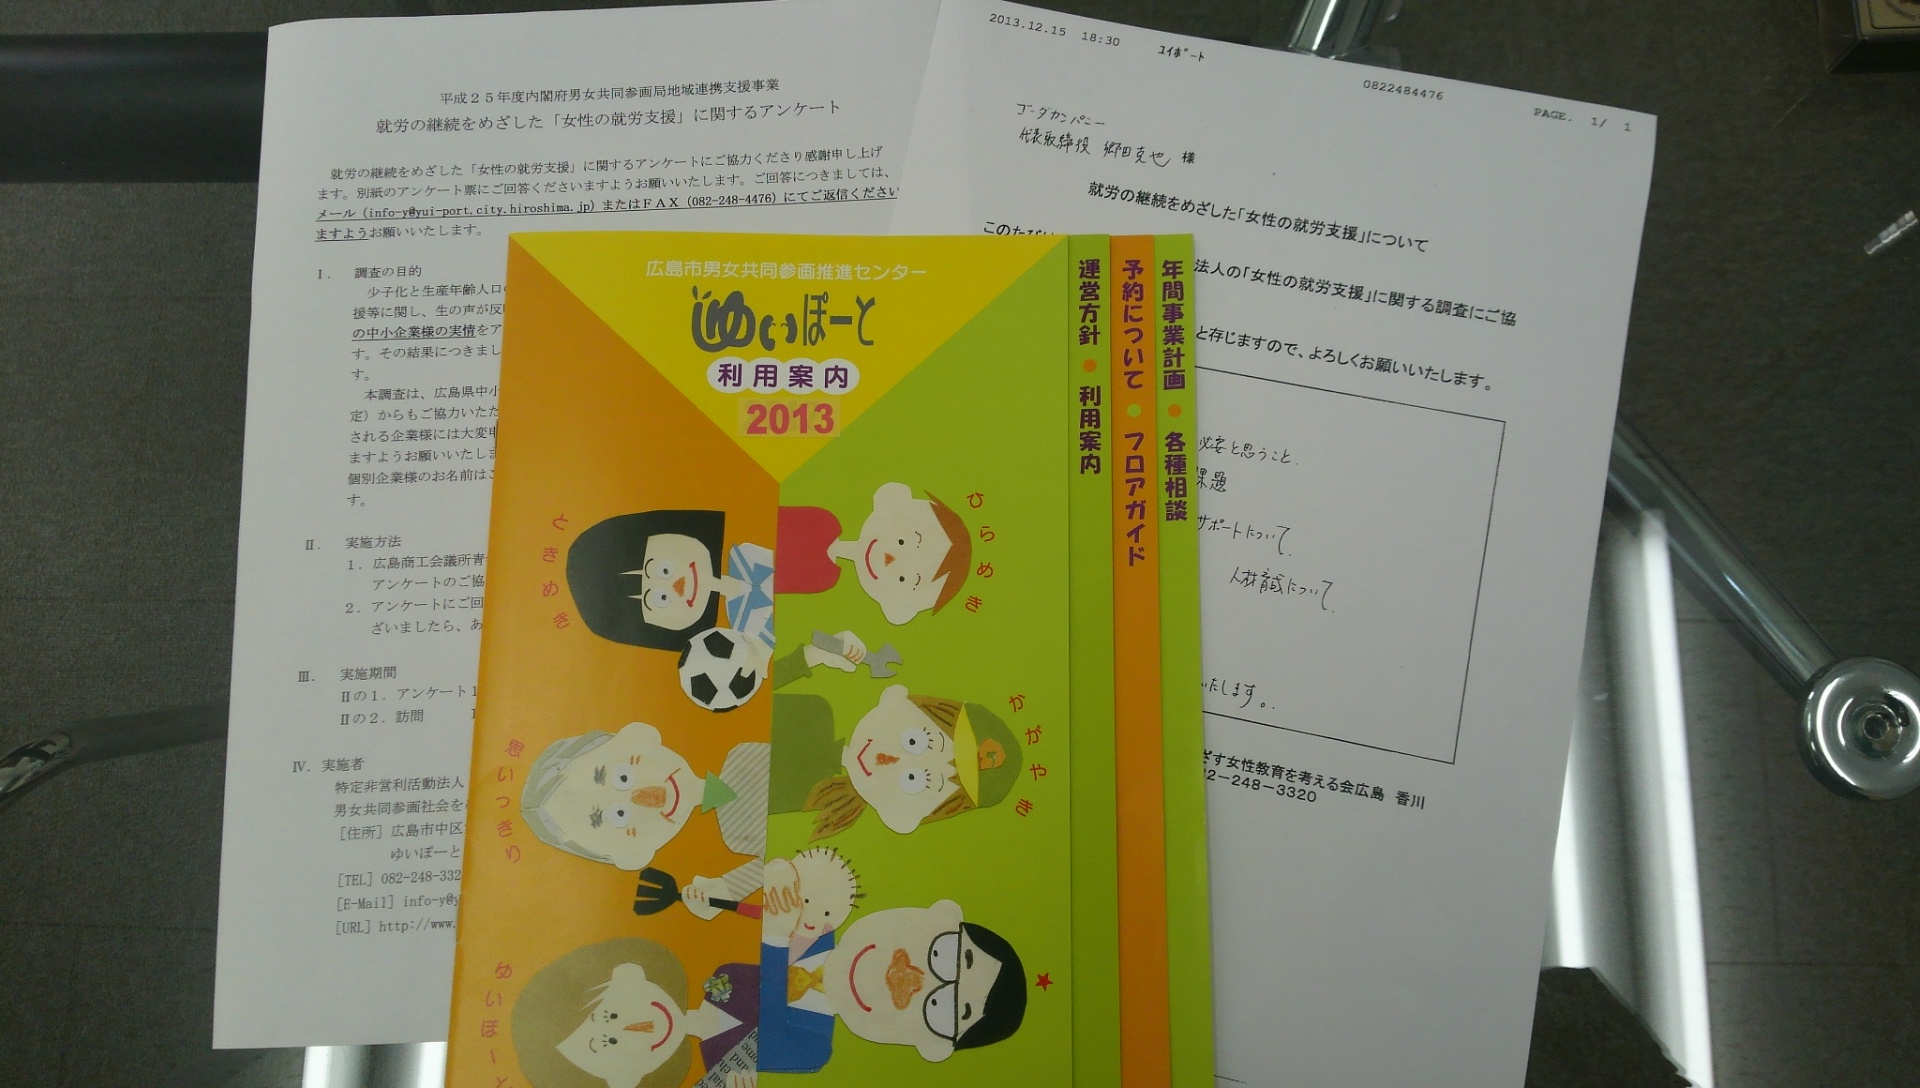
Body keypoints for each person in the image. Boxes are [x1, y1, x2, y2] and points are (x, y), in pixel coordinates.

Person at [756, 867, 1029, 1074]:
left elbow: (750, 1046)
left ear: (935, 1047)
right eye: (943, 956)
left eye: (941, 1006)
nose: (912, 978)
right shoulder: (809, 903)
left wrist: (775, 936)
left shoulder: (810, 1048)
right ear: (942, 915)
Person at [763, 649, 1022, 838]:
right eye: (913, 740)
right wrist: (810, 656)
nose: (888, 759)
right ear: (896, 699)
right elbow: (751, 695)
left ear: (903, 818)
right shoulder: (816, 712)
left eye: (913, 779)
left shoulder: (814, 796)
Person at [521, 722, 768, 906]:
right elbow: (779, 860)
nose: (647, 797)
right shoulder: (736, 835)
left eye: (623, 777)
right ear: (632, 855)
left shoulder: (744, 757)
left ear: (636, 736)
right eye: (620, 815)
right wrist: (724, 891)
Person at [511, 937, 756, 1088]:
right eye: (612, 1042)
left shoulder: (729, 977)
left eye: (612, 1015)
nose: (639, 1027)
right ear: (625, 1080)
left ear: (627, 972)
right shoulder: (725, 1074)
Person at [568, 509, 774, 656]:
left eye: (664, 569)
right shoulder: (745, 636)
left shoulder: (748, 550)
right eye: (661, 598)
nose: (678, 585)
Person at [778, 482, 971, 626]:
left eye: (903, 578)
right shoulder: (823, 521)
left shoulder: (824, 578)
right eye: (901, 541)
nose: (889, 559)